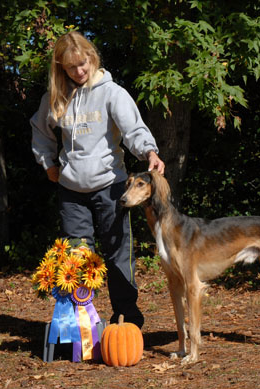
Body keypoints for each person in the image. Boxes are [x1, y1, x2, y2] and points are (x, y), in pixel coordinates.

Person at [31, 31, 165, 328]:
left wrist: (150, 152)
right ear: (61, 69)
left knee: (118, 257)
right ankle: (80, 328)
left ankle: (127, 321)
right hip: (71, 192)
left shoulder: (112, 93)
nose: (79, 71)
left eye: (84, 63)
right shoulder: (55, 97)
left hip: (111, 188)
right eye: (71, 67)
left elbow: (134, 129)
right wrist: (48, 164)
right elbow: (40, 132)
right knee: (77, 260)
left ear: (93, 58)